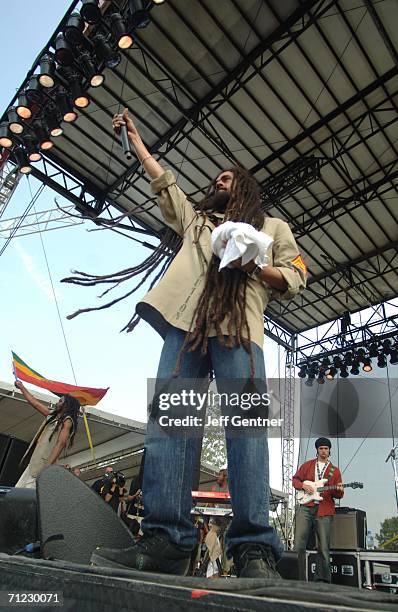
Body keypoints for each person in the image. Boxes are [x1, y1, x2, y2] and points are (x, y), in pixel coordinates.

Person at [90, 108, 307, 578]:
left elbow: (295, 275)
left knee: (246, 434)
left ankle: (253, 550)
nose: (220, 180)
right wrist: (138, 140)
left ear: (245, 188)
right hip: (186, 327)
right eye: (217, 178)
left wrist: (252, 265)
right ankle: (167, 540)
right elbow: (167, 185)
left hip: (240, 330)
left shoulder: (272, 229)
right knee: (170, 427)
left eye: (228, 178)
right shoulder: (199, 223)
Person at [293, 438, 344, 582]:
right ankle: (298, 579)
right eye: (321, 448)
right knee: (299, 543)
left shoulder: (335, 471)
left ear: (329, 451)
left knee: (323, 547)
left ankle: (322, 580)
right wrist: (304, 486)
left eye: (326, 449)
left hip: (324, 509)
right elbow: (295, 480)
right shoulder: (307, 465)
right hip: (306, 507)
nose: (323, 451)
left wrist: (338, 490)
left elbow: (339, 494)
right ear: (317, 450)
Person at [14, 380, 80, 489]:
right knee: (18, 492)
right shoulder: (52, 416)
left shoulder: (67, 421)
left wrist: (47, 468)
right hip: (34, 463)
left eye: (60, 401)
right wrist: (21, 387)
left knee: (27, 498)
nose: (57, 403)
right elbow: (35, 403)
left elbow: (60, 443)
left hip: (42, 467)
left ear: (66, 405)